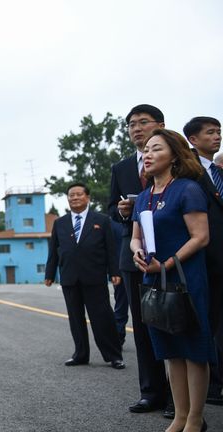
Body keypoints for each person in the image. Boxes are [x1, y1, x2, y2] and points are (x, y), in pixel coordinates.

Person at [131, 128, 214, 432]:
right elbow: (135, 237)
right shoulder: (142, 197)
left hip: (184, 277)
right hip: (153, 280)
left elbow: (200, 237)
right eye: (147, 150)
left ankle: (195, 419)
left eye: (156, 149)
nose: (148, 155)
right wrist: (137, 252)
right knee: (169, 350)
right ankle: (179, 416)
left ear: (175, 156)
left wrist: (166, 263)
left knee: (193, 350)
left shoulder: (188, 190)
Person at [108, 104, 170, 415]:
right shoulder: (120, 168)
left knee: (173, 322)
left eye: (143, 122)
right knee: (143, 325)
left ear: (160, 124)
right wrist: (121, 213)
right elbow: (110, 210)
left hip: (171, 254)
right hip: (132, 255)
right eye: (131, 124)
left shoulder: (178, 163)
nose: (136, 129)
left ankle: (178, 396)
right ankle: (150, 392)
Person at [44, 183, 125, 369]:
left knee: (102, 317)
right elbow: (54, 251)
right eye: (71, 195)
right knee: (75, 318)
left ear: (87, 198)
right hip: (69, 277)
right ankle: (80, 354)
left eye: (79, 194)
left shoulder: (102, 220)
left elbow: (111, 249)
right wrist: (50, 273)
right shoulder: (60, 223)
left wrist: (114, 272)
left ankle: (114, 356)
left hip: (94, 276)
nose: (75, 198)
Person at [183, 117, 223, 406]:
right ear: (193, 139)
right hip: (205, 259)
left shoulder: (218, 171)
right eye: (210, 132)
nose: (217, 136)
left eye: (219, 131)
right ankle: (209, 385)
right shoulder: (190, 172)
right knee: (206, 323)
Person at [111, 219, 130, 345]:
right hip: (121, 270)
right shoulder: (113, 224)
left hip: (147, 267)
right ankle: (118, 335)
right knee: (121, 306)